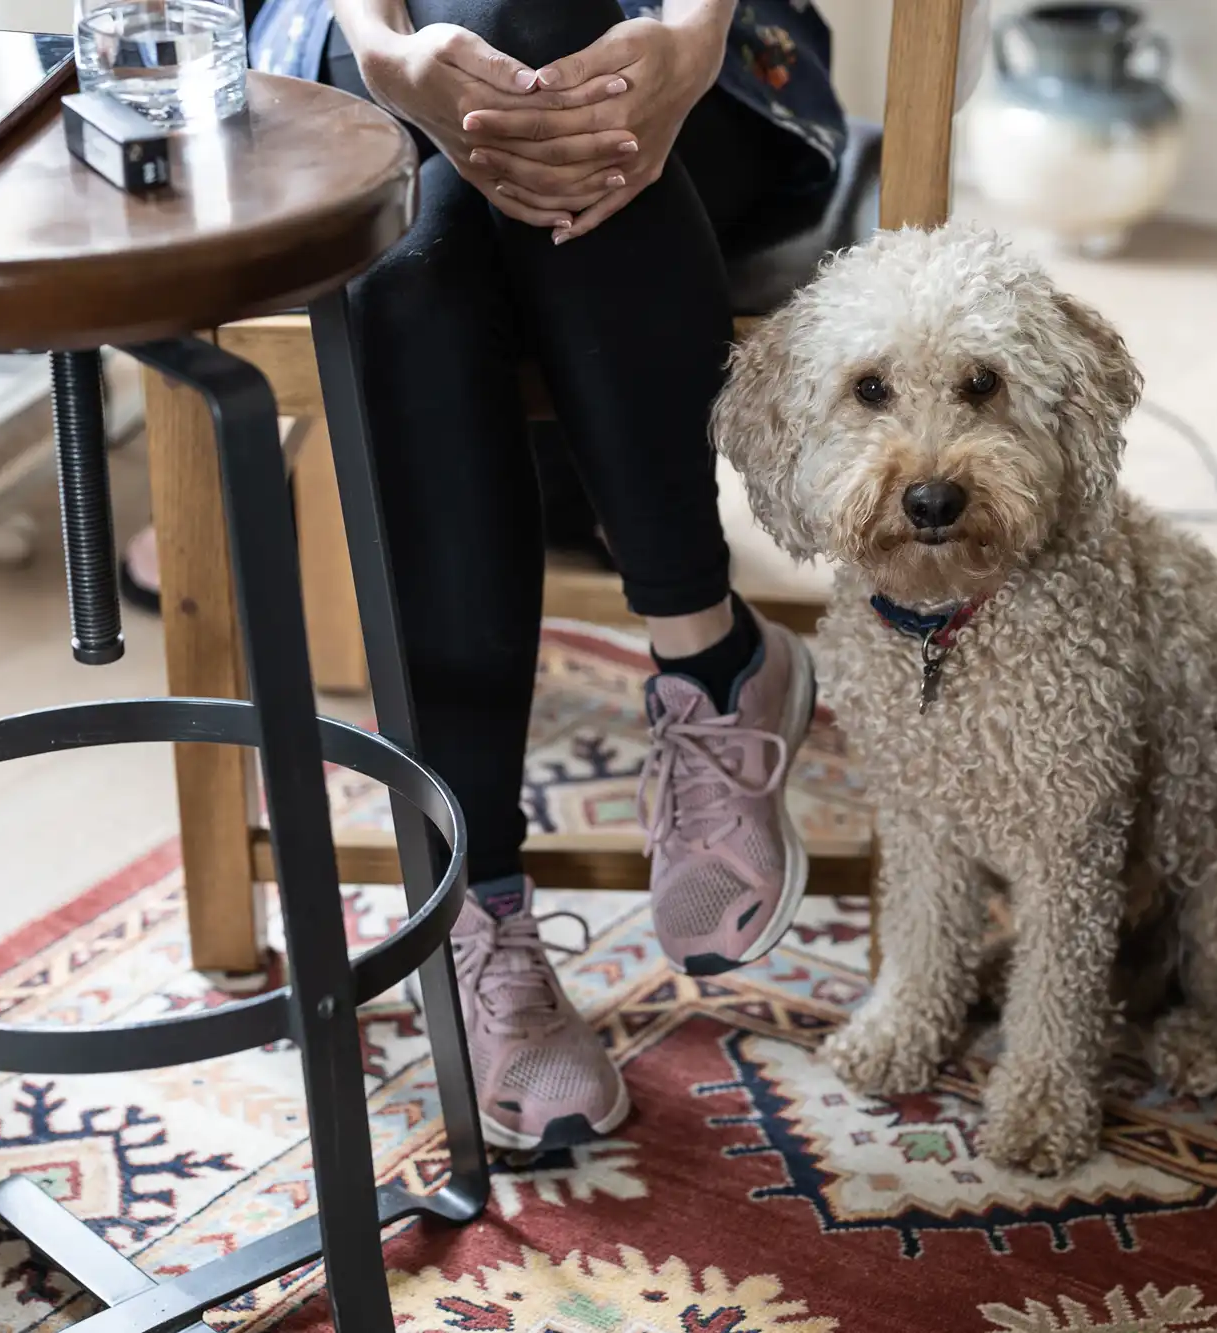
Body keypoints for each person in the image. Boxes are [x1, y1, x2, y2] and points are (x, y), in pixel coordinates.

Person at [228, 0, 846, 1152]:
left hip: (677, 64)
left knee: (531, 45)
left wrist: (697, 32)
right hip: (358, 67)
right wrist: (381, 48)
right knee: (414, 258)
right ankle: (706, 659)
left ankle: (466, 875)